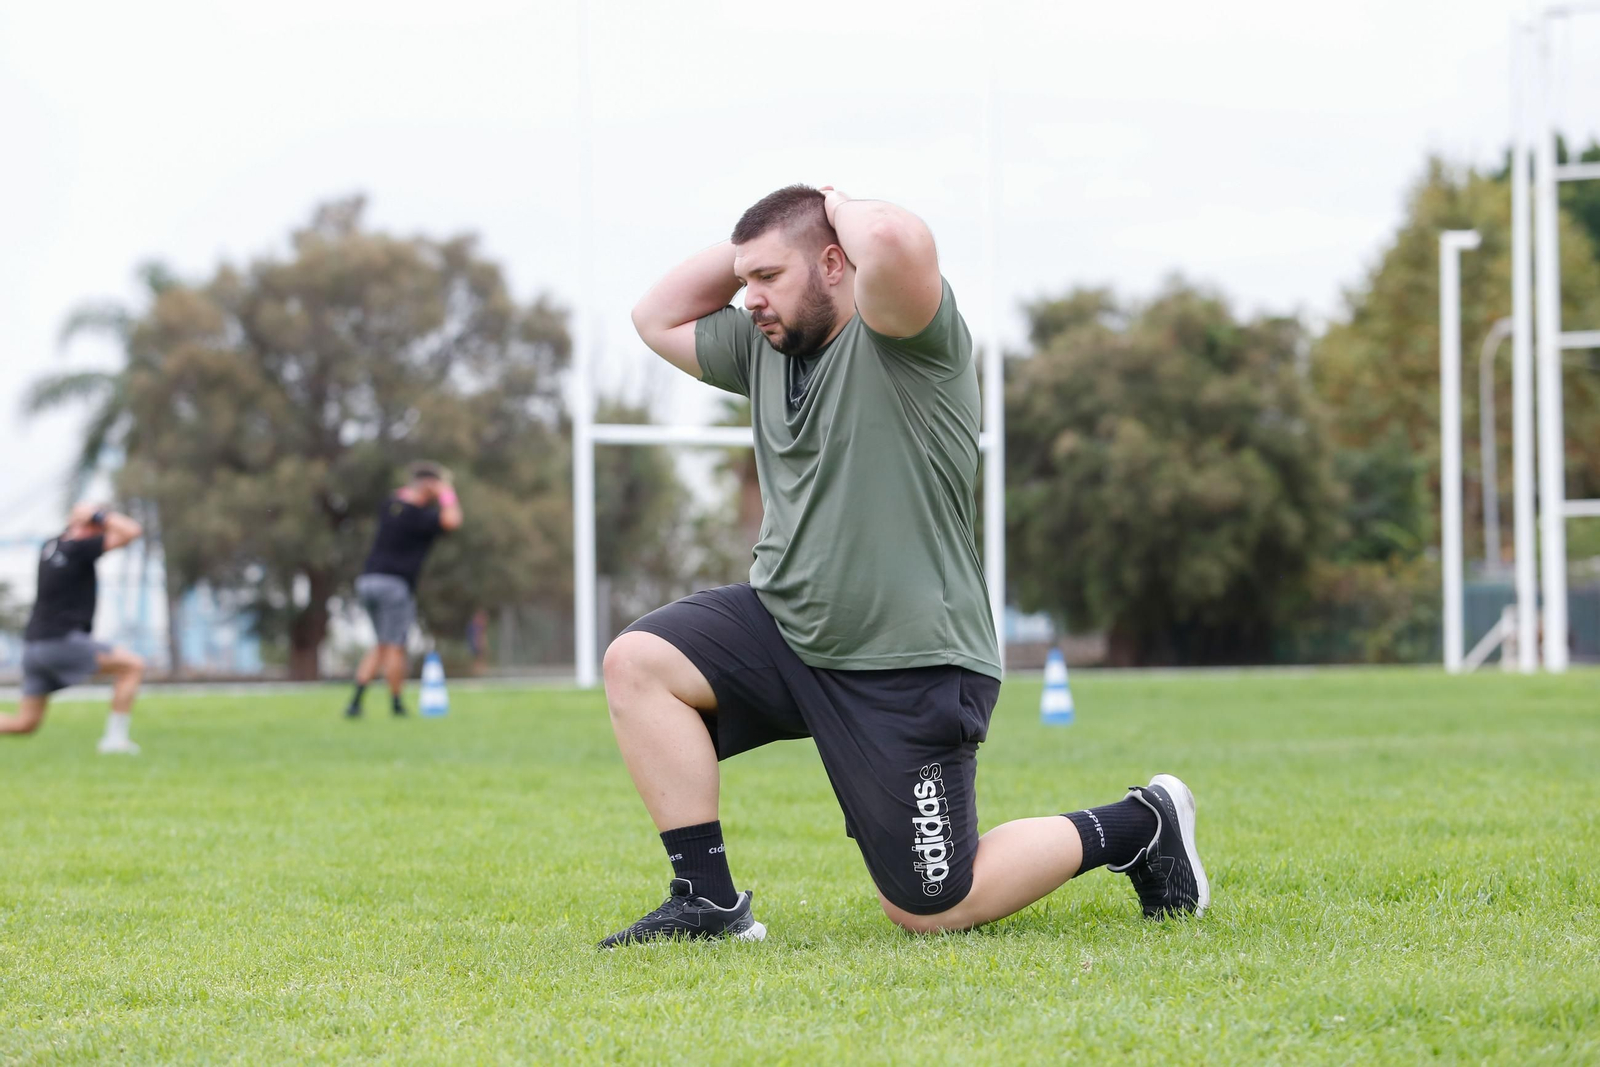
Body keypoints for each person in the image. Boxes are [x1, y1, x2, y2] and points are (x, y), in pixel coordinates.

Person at [601, 185, 1209, 947]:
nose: (748, 297)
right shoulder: (764, 347)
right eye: (743, 279)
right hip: (787, 627)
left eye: (769, 278)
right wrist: (761, 246)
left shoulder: (907, 336)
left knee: (931, 904)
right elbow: (654, 316)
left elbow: (890, 238)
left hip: (909, 658)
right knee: (638, 663)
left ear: (834, 263)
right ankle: (707, 902)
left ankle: (1140, 824)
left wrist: (829, 200)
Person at [1, 504, 147, 753]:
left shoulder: (51, 545)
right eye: (100, 527)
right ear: (88, 526)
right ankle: (114, 740)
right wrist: (98, 515)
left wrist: (88, 518)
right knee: (132, 666)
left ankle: (115, 740)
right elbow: (132, 531)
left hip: (34, 648)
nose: (103, 532)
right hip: (60, 642)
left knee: (24, 723)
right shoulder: (79, 547)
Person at [344, 462, 463, 718]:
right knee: (396, 645)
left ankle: (355, 702)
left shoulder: (390, 507)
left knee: (382, 644)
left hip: (368, 581)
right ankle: (397, 705)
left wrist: (423, 484)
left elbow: (403, 494)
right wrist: (445, 492)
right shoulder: (422, 517)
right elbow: (453, 520)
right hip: (394, 585)